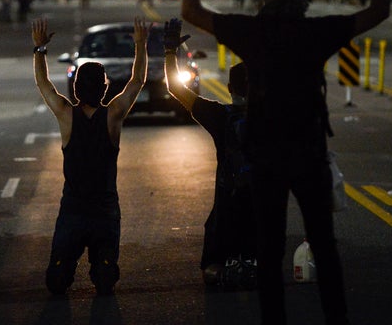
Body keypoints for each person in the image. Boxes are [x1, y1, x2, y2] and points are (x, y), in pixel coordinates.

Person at [181, 0, 391, 325]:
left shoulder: (254, 32)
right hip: (308, 152)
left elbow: (191, 11)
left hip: (265, 155)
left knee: (269, 246)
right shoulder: (316, 31)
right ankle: (336, 318)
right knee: (324, 246)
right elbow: (378, 11)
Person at [31, 16, 150, 296]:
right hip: (105, 211)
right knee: (106, 279)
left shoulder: (65, 114)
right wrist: (141, 43)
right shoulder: (113, 116)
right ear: (105, 88)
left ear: (76, 89)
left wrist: (39, 49)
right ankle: (102, 266)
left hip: (72, 210)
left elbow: (43, 83)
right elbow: (137, 82)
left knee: (57, 281)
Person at [162, 19, 257, 290]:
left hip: (227, 203)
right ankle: (252, 267)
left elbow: (174, 88)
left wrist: (170, 52)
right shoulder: (271, 117)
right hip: (261, 204)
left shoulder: (219, 115)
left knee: (211, 266)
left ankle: (225, 274)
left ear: (229, 89)